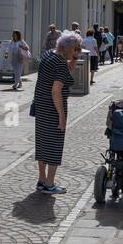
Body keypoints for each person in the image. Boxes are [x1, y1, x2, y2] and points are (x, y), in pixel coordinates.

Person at [32, 31, 82, 194]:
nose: (77, 52)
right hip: (53, 108)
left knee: (42, 142)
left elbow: (59, 74)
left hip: (41, 106)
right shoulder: (60, 64)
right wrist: (61, 115)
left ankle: (41, 179)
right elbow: (56, 90)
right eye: (75, 49)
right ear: (67, 48)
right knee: (54, 144)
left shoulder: (48, 55)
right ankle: (50, 183)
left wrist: (72, 60)